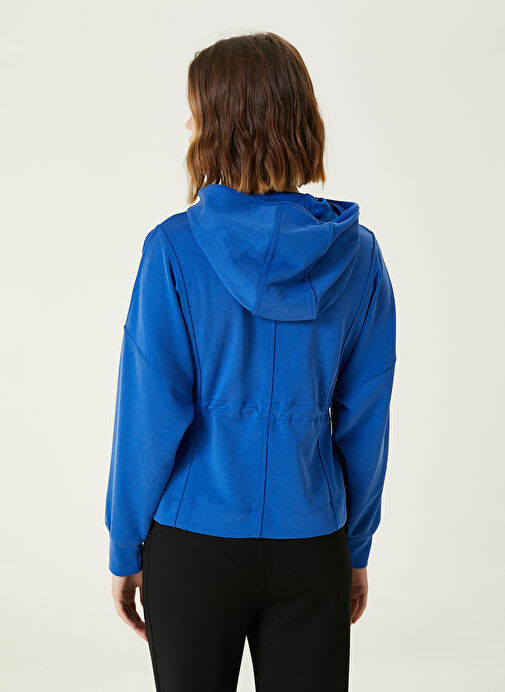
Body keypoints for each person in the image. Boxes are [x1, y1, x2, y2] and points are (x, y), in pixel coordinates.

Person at [104, 31, 397, 692]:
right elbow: (365, 420)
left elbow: (148, 414)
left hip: (192, 543)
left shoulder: (173, 250)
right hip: (312, 543)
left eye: (195, 112)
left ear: (221, 126)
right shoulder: (358, 257)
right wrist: (354, 546)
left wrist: (125, 546)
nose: (187, 126)